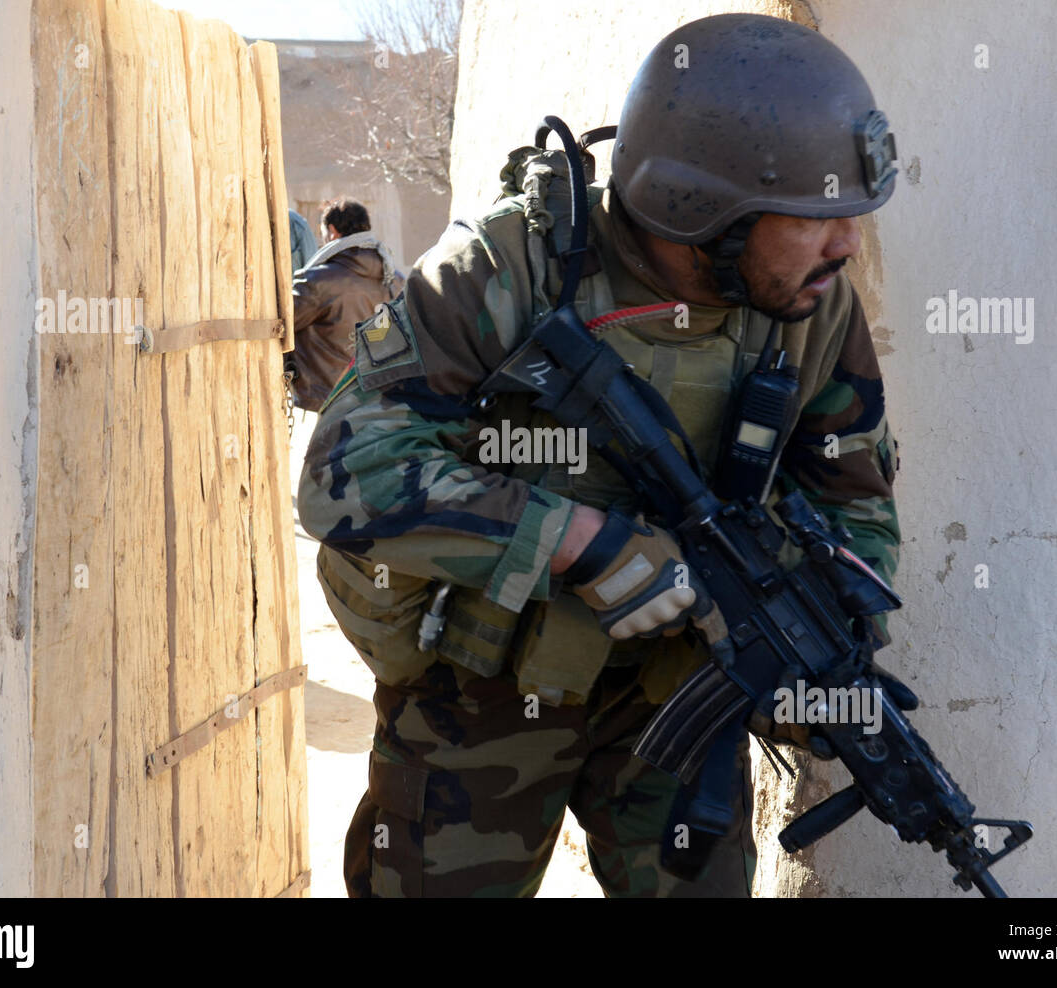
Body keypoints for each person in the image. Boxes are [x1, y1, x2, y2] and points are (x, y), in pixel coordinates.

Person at [297, 13, 902, 897]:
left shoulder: (814, 307)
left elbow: (858, 511)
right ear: (710, 209)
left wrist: (823, 650)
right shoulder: (510, 267)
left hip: (679, 698)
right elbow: (345, 471)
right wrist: (581, 542)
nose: (846, 245)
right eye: (816, 220)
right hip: (482, 684)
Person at [286, 198, 403, 411]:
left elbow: (283, 324)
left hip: (328, 399)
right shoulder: (395, 279)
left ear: (332, 231)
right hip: (382, 398)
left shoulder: (318, 282)